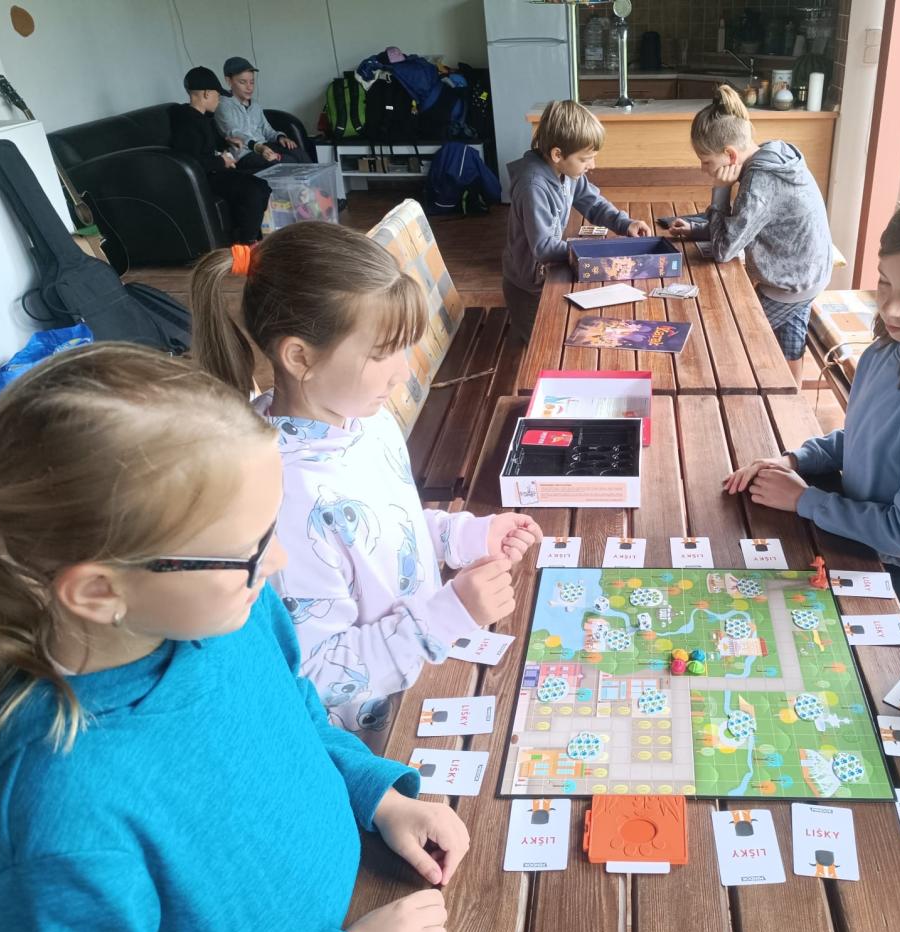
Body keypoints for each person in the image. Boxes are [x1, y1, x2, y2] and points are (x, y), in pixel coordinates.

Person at [0, 343, 466, 932]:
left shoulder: (234, 610)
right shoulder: (53, 819)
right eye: (247, 552)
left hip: (369, 893)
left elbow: (297, 710)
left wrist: (377, 796)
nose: (278, 561)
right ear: (99, 592)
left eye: (270, 532)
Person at [191, 220, 542, 735]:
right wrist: (448, 615)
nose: (403, 372)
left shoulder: (364, 419)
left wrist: (462, 535)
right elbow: (317, 675)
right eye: (382, 353)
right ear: (299, 357)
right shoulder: (283, 497)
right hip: (377, 731)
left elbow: (385, 528)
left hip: (424, 659)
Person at [724, 177, 900, 654]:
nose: (891, 307)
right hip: (855, 529)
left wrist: (804, 500)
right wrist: (796, 461)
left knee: (884, 671)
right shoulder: (893, 346)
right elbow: (862, 436)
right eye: (884, 281)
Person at [671, 85, 833, 382]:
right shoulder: (773, 154)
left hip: (791, 282)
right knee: (788, 346)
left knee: (726, 340)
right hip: (810, 271)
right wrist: (696, 229)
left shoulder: (760, 183)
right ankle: (791, 395)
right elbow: (746, 228)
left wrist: (721, 190)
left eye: (706, 161)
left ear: (730, 154)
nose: (704, 169)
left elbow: (724, 251)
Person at [502, 99, 652, 344]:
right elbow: (544, 247)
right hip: (527, 286)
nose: (592, 165)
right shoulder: (533, 186)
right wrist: (592, 249)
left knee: (563, 335)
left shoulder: (567, 172)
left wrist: (625, 224)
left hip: (549, 274)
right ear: (557, 154)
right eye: (585, 159)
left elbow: (593, 203)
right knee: (540, 348)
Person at [172, 65, 270, 244]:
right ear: (206, 94)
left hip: (216, 172)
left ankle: (253, 237)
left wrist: (228, 140)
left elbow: (209, 143)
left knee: (263, 186)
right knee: (253, 191)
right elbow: (192, 161)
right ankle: (246, 245)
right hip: (204, 179)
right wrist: (221, 161)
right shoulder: (187, 123)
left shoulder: (203, 118)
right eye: (218, 96)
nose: (219, 101)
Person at [215, 56, 311, 170]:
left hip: (265, 147)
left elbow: (266, 129)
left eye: (252, 82)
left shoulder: (255, 104)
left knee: (299, 154)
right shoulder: (223, 105)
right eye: (243, 82)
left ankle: (316, 182)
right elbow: (234, 133)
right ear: (229, 81)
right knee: (286, 162)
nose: (249, 87)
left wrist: (280, 137)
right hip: (244, 155)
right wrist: (258, 147)